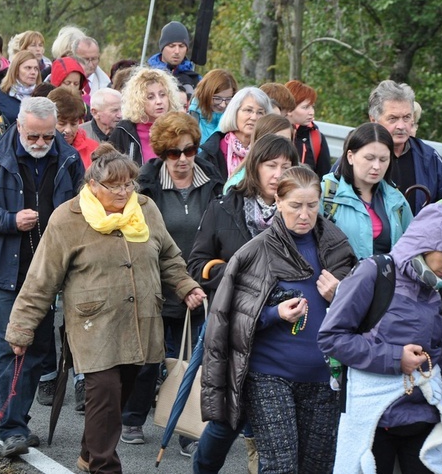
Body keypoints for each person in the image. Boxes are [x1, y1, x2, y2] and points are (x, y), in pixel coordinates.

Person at [3, 143, 205, 472]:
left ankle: (88, 454)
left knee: (119, 396)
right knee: (104, 393)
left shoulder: (146, 208)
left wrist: (186, 286)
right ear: (93, 185)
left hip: (141, 320)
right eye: (115, 186)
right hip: (92, 325)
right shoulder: (67, 217)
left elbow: (168, 256)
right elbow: (42, 277)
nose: (125, 192)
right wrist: (22, 327)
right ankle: (103, 466)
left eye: (129, 184)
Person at [202, 166, 356, 473]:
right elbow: (228, 319)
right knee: (280, 466)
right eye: (296, 205)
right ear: (279, 201)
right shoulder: (255, 252)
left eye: (312, 205)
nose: (304, 214)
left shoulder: (337, 245)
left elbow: (362, 313)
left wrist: (340, 295)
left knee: (316, 467)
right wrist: (274, 314)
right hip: (269, 374)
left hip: (324, 376)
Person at [0, 97, 84, 457]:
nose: (41, 143)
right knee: (14, 346)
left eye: (47, 136)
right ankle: (11, 428)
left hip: (49, 271)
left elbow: (82, 205)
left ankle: (19, 420)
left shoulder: (68, 157)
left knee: (40, 350)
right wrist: (9, 221)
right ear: (18, 126)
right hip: (4, 269)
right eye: (33, 136)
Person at [318, 203, 442, 474]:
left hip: (425, 422)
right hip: (372, 423)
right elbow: (331, 338)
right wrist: (395, 359)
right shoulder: (375, 272)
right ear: (425, 243)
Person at [187, 134, 299, 472]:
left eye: (286, 166)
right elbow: (198, 262)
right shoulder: (226, 206)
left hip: (282, 330)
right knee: (226, 420)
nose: (278, 173)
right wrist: (237, 280)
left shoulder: (301, 212)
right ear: (255, 166)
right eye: (271, 165)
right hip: (236, 326)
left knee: (276, 430)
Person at [131, 112, 223, 453]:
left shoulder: (213, 183)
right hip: (156, 288)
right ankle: (133, 417)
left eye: (189, 150)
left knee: (192, 362)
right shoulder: (146, 186)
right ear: (160, 153)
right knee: (149, 360)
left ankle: (186, 430)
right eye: (173, 153)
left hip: (199, 289)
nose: (183, 159)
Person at [321, 122, 413, 259]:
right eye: (369, 158)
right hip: (336, 279)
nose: (376, 166)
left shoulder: (397, 200)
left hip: (385, 279)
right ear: (350, 157)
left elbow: (412, 247)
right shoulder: (326, 193)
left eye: (383, 159)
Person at [368, 80, 442, 215]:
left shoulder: (429, 157)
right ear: (374, 120)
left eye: (407, 117)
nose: (401, 126)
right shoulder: (358, 156)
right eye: (393, 118)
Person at [109, 67, 181, 166]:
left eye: (162, 95)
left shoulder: (178, 127)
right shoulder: (124, 130)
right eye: (150, 97)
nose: (159, 101)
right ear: (139, 101)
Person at [200, 87, 273, 180]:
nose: (254, 117)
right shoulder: (212, 154)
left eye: (260, 112)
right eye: (248, 110)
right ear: (234, 112)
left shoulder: (270, 152)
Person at [285, 80, 331, 178]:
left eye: (312, 107)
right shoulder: (274, 133)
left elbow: (325, 176)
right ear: (289, 109)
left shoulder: (317, 138)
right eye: (305, 107)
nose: (311, 112)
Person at [48, 87, 98, 169]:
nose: (68, 130)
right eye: (62, 124)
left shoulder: (94, 149)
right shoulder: (40, 149)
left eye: (73, 124)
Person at [147, 21, 201, 92]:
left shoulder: (196, 80)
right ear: (162, 48)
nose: (177, 51)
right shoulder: (146, 76)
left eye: (181, 46)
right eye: (171, 46)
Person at [188, 68, 238, 145]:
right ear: (205, 94)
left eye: (228, 99)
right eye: (217, 98)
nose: (223, 105)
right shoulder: (191, 120)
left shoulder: (236, 123)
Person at [0, 50, 40, 125]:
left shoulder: (42, 95)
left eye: (36, 68)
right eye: (28, 68)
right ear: (16, 70)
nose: (33, 72)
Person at [72, 36, 110, 104]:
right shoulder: (64, 81)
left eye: (94, 59)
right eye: (86, 59)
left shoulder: (108, 85)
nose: (90, 64)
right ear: (74, 58)